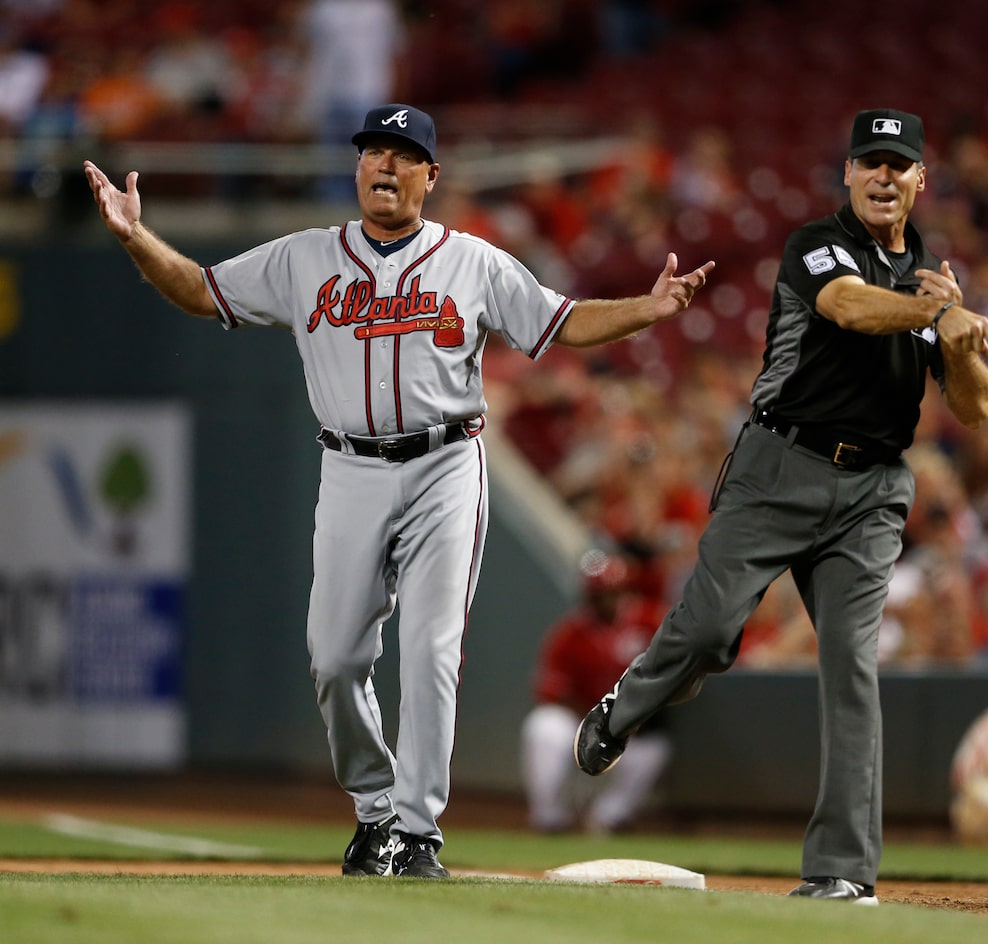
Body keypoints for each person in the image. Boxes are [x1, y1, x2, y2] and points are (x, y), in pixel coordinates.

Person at [82, 103, 714, 879]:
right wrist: (136, 237)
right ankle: (376, 809)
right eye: (373, 151)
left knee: (431, 649)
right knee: (334, 657)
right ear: (358, 167)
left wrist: (650, 308)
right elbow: (200, 290)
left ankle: (416, 832)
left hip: (446, 463)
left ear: (430, 175)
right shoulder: (305, 257)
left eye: (402, 153)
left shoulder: (473, 261)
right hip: (350, 467)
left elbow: (562, 323)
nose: (384, 164)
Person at [573, 108, 988, 905]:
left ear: (921, 179)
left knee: (852, 668)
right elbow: (849, 307)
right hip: (780, 466)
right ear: (848, 173)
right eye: (870, 162)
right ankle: (627, 704)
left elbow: (975, 406)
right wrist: (938, 313)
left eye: (899, 164)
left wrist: (954, 342)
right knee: (709, 631)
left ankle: (843, 870)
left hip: (872, 491)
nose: (883, 176)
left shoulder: (932, 279)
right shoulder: (817, 244)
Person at [520, 549, 670, 834]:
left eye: (613, 593)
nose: (606, 600)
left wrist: (633, 718)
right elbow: (551, 689)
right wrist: (596, 721)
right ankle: (550, 818)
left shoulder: (650, 621)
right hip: (583, 719)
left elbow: (670, 675)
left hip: (634, 724)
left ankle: (610, 818)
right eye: (599, 595)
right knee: (543, 726)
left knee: (654, 749)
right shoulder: (571, 632)